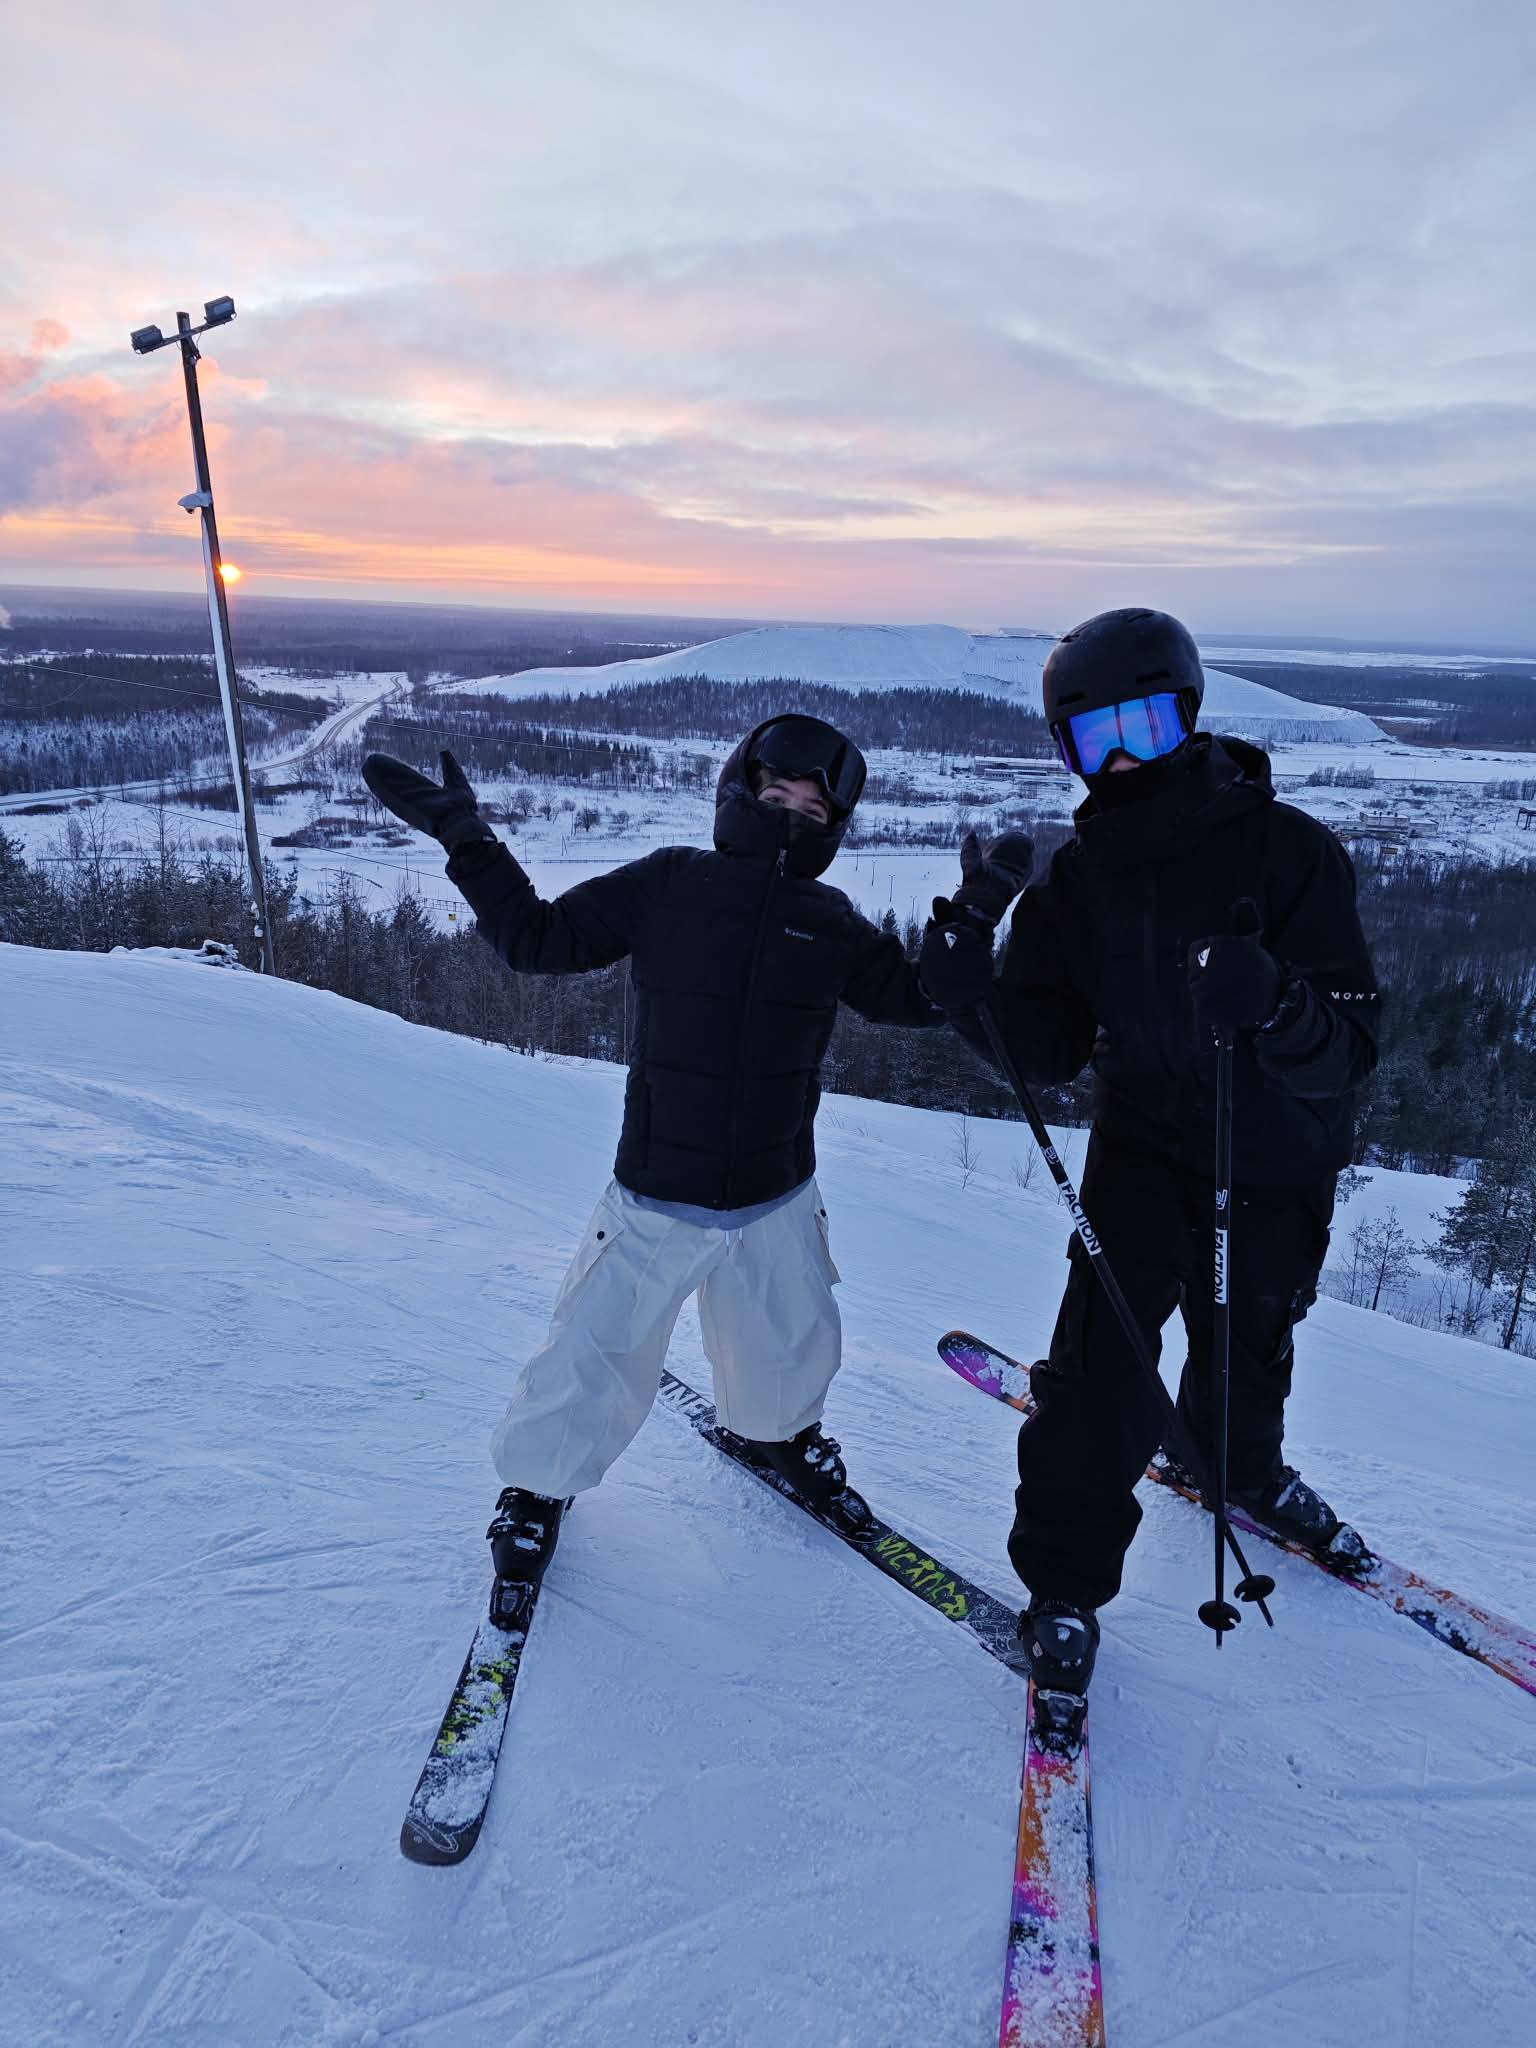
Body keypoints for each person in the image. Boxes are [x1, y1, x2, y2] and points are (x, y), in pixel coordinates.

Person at [363, 714, 945, 1602]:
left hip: (777, 1194)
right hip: (656, 1191)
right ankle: (537, 1489)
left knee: (791, 1347)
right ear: (739, 791)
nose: (793, 817)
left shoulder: (829, 923)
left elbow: (918, 1000)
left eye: (814, 810)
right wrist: (466, 838)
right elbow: (536, 940)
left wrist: (970, 928)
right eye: (777, 795)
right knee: (592, 1355)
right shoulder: (671, 883)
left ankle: (780, 1435)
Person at [919, 607, 1381, 1705]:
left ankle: (1237, 1470)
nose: (1123, 757)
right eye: (1097, 737)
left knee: (1251, 1341)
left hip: (1275, 1157)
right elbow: (1045, 1049)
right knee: (1103, 1364)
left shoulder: (1290, 852)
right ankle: (1064, 1586)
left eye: (1147, 725)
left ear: (1190, 716)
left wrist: (1277, 1004)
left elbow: (1352, 1047)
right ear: (1068, 749)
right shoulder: (1076, 885)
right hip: (1142, 1150)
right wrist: (970, 994)